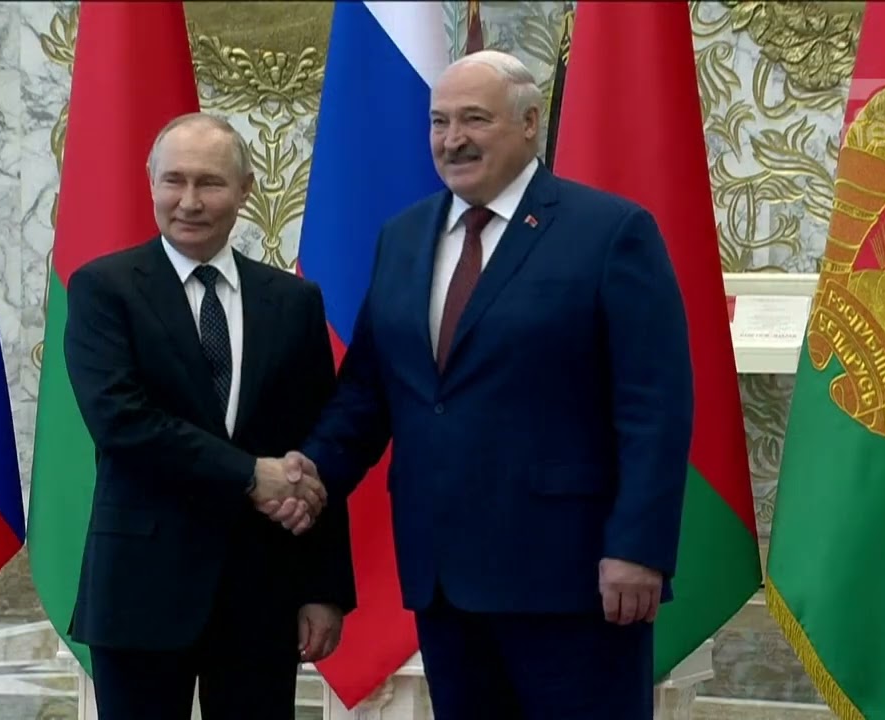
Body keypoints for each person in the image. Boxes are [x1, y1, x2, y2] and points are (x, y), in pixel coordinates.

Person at [269, 50, 694, 718]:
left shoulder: (610, 232)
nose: (452, 139)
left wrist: (637, 548)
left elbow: (654, 407)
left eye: (474, 119)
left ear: (530, 123)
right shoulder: (404, 236)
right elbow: (369, 393)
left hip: (572, 579)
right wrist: (310, 475)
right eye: (439, 122)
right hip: (445, 579)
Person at [62, 112, 354, 719]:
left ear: (245, 190)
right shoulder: (103, 289)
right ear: (151, 184)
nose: (189, 201)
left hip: (261, 592)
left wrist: (324, 588)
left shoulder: (294, 302)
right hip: (141, 589)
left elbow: (315, 445)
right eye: (174, 181)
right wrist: (250, 474)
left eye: (210, 183)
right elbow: (122, 423)